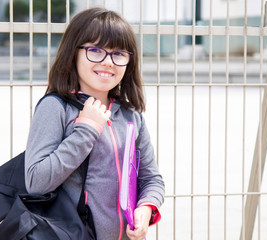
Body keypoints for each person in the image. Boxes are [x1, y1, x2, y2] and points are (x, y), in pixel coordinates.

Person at [24, 7, 165, 240]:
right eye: (96, 50)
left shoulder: (131, 116)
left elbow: (151, 179)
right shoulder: (56, 108)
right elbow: (36, 182)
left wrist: (146, 207)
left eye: (119, 54)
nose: (108, 62)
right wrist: (86, 130)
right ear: (73, 53)